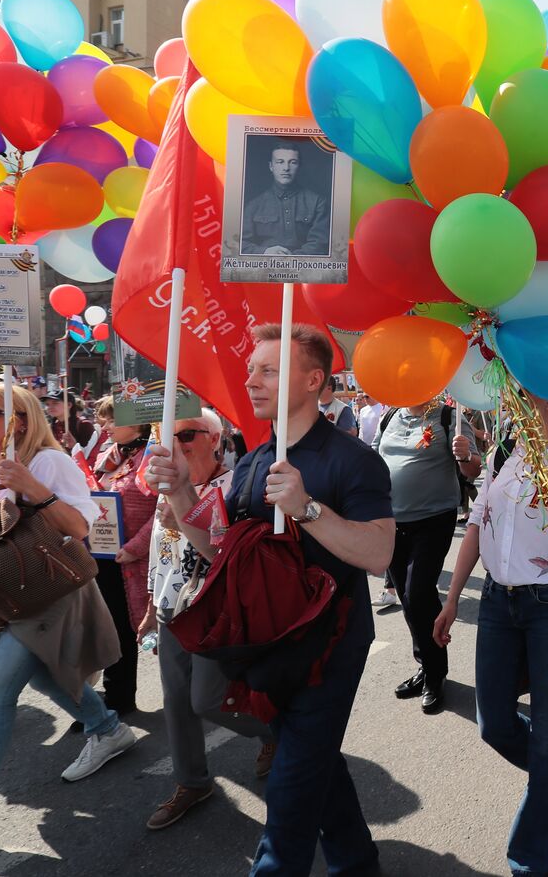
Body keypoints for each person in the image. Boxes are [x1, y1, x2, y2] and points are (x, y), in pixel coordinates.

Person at [146, 323, 395, 876]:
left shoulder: (353, 461)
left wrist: (308, 510)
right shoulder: (256, 460)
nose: (250, 379)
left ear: (313, 379)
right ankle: (358, 863)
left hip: (328, 648)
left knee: (287, 802)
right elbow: (221, 555)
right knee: (315, 767)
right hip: (265, 645)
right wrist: (183, 490)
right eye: (252, 367)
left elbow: (379, 554)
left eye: (267, 369)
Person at [432, 391, 548, 876]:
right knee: (494, 725)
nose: (514, 394)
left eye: (527, 386)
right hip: (496, 601)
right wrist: (452, 600)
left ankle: (532, 855)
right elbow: (476, 524)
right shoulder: (504, 449)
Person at [0, 385, 136, 856]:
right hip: (4, 595)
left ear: (19, 419)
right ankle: (108, 728)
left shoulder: (47, 461)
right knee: (45, 677)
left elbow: (82, 526)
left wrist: (34, 490)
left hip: (47, 594)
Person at [137, 409, 276, 830]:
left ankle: (276, 732)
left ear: (215, 439)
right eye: (168, 436)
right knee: (176, 704)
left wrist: (184, 514)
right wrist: (150, 607)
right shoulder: (166, 483)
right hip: (170, 607)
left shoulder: (234, 485)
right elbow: (160, 553)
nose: (177, 445)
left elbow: (228, 552)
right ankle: (191, 782)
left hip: (211, 609)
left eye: (188, 435)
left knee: (208, 700)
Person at [373, 398, 481, 714]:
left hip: (434, 519)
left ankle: (436, 675)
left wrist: (465, 456)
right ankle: (425, 665)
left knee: (417, 593)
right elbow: (373, 458)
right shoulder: (390, 415)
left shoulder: (448, 417)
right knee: (408, 601)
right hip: (391, 521)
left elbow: (472, 469)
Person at [89, 398, 158, 717]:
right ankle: (114, 696)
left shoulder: (153, 456)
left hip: (134, 558)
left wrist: (135, 547)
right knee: (110, 628)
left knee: (131, 629)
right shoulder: (111, 456)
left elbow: (162, 510)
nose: (104, 426)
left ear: (137, 421)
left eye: (111, 420)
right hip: (105, 553)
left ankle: (119, 699)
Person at [240, 141, 330, 256]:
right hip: (264, 266)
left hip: (303, 268)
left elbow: (320, 244)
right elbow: (240, 244)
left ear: (299, 166)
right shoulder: (253, 205)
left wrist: (292, 258)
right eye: (280, 162)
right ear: (271, 166)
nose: (286, 168)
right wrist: (265, 252)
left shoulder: (317, 202)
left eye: (292, 162)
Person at [44, 390, 97, 456]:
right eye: (47, 404)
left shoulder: (84, 425)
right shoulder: (48, 428)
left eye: (55, 403)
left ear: (69, 405)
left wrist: (74, 446)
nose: (50, 407)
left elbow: (92, 454)